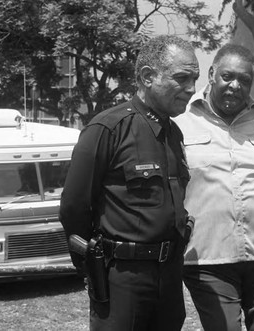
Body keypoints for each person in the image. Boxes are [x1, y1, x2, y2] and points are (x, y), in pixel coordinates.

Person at [59, 34, 199, 331]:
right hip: (122, 275)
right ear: (148, 76)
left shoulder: (174, 133)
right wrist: (92, 264)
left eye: (195, 79)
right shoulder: (107, 129)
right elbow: (74, 206)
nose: (192, 89)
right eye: (182, 78)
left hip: (169, 273)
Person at [173, 43, 254, 331]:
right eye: (228, 76)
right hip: (207, 257)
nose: (235, 85)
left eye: (244, 80)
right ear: (212, 73)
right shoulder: (180, 121)